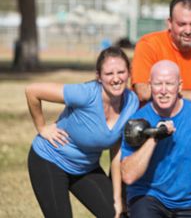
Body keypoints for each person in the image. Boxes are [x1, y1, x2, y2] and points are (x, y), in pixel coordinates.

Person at [26, 46, 139, 218]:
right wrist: (42, 128)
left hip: (86, 168)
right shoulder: (86, 94)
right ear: (99, 77)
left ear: (129, 72)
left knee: (118, 215)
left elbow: (116, 152)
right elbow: (33, 91)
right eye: (109, 74)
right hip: (50, 160)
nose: (116, 79)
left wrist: (117, 197)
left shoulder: (131, 102)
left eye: (121, 72)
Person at [121, 60, 191, 217]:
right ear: (149, 86)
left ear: (180, 86)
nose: (163, 90)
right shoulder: (138, 120)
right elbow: (128, 175)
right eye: (158, 84)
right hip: (149, 196)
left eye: (169, 84)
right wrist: (154, 137)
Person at [131, 0, 191, 110]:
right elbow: (143, 92)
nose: (188, 31)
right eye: (182, 24)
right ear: (170, 23)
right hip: (154, 123)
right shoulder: (149, 45)